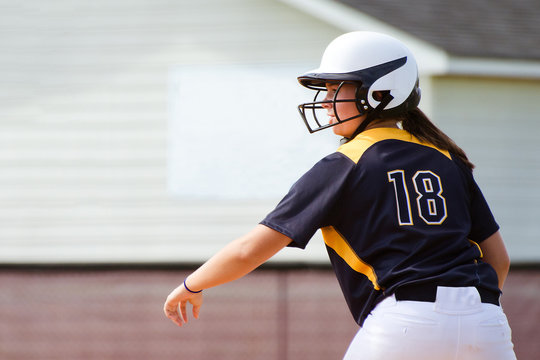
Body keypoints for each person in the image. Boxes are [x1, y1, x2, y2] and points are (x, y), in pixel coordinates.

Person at [163, 31, 516, 359]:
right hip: (486, 320)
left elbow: (248, 250)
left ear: (380, 92)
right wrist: (467, 312)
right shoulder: (448, 159)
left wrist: (191, 285)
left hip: (404, 322)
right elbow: (498, 260)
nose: (327, 101)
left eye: (337, 89)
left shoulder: (345, 164)